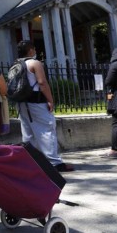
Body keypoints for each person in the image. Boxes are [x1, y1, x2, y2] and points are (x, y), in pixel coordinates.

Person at [14, 40, 74, 172]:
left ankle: (32, 161)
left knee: (28, 133)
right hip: (36, 101)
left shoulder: (16, 64)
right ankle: (55, 163)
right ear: (30, 50)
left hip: (22, 102)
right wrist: (50, 100)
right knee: (47, 130)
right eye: (34, 49)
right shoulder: (35, 63)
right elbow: (42, 82)